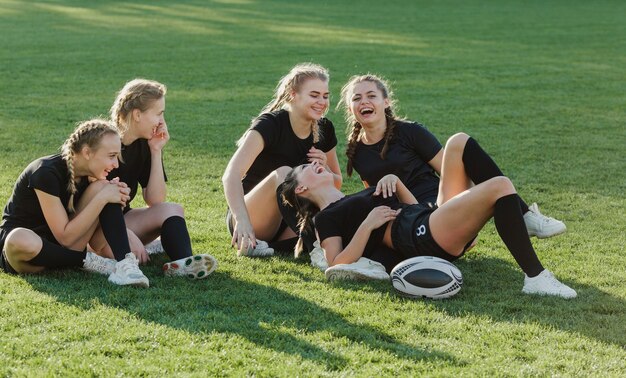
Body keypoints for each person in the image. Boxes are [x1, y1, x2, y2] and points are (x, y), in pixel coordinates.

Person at [281, 133, 577, 298]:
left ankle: (523, 217)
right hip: (417, 237)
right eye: (307, 167)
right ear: (303, 186)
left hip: (425, 219)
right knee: (499, 186)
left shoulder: (353, 196)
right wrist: (368, 225)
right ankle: (536, 277)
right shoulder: (326, 218)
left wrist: (396, 183)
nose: (317, 164)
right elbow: (335, 262)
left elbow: (410, 208)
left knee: (459, 142)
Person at [338, 74, 566, 239]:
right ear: (350, 108)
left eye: (371, 95)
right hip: (411, 220)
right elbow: (377, 193)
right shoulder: (355, 151)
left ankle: (524, 215)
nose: (364, 101)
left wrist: (478, 207)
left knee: (461, 144)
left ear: (385, 102)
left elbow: (453, 172)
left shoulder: (411, 132)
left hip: (441, 204)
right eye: (357, 98)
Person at [0, 119, 150, 287]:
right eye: (111, 156)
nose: (115, 164)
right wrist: (102, 199)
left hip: (66, 249)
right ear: (87, 152)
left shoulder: (93, 179)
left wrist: (114, 201)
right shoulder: (45, 172)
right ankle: (87, 261)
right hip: (27, 255)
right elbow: (65, 237)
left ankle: (125, 265)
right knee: (18, 237)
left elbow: (97, 243)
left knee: (106, 188)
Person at [222, 63, 342, 257]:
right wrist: (242, 220)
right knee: (285, 174)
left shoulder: (325, 128)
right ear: (293, 94)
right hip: (253, 218)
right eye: (314, 95)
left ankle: (276, 248)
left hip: (292, 225)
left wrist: (325, 169)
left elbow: (336, 183)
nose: (322, 101)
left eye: (325, 96)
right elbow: (231, 175)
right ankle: (316, 245)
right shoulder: (271, 124)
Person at [108, 79, 216, 279]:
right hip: (93, 229)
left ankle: (183, 264)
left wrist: (156, 150)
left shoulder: (143, 144)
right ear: (137, 114)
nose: (161, 121)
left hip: (121, 220)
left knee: (172, 209)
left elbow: (155, 200)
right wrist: (125, 235)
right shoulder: (105, 142)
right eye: (158, 114)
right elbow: (88, 205)